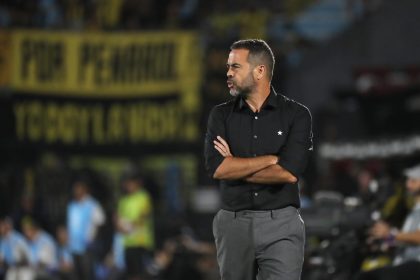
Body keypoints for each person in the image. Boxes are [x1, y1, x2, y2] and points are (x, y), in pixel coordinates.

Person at [204, 39, 313, 280]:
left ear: (259, 70)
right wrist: (272, 159)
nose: (228, 73)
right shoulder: (220, 115)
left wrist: (236, 164)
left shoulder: (297, 115)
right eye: (228, 67)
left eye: (235, 67)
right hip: (233, 223)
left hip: (281, 223)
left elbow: (288, 173)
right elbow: (219, 168)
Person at [357, 164, 420, 280]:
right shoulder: (413, 210)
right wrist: (385, 240)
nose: (408, 184)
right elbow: (403, 240)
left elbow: (418, 237)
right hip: (402, 264)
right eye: (408, 180)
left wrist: (389, 234)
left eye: (413, 180)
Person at [116, 171, 154, 280]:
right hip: (128, 242)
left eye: (131, 183)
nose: (128, 186)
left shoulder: (143, 196)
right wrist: (120, 226)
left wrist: (130, 225)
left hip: (140, 241)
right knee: (130, 273)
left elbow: (144, 214)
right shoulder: (123, 200)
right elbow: (118, 217)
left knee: (140, 272)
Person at [67, 178, 105, 280]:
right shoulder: (72, 205)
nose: (76, 192)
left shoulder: (92, 204)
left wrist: (91, 238)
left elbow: (99, 222)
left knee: (87, 274)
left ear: (84, 190)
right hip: (74, 246)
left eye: (78, 189)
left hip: (86, 246)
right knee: (77, 274)